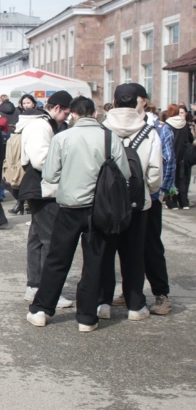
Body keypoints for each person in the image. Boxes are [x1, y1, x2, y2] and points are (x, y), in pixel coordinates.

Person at [27, 97, 130, 332]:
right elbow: (124, 172)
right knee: (95, 263)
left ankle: (41, 309)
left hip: (69, 206)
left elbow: (51, 175)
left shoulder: (62, 137)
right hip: (101, 208)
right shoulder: (109, 137)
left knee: (57, 259)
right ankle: (86, 317)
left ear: (73, 114)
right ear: (94, 113)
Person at [101, 83, 162, 321]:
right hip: (138, 203)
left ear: (114, 103)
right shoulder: (149, 131)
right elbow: (156, 173)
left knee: (105, 252)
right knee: (134, 254)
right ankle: (136, 306)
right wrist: (147, 190)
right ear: (138, 102)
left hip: (107, 203)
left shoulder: (103, 129)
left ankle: (103, 303)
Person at [15, 90, 73, 305]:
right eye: (65, 113)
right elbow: (41, 159)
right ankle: (49, 291)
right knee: (51, 240)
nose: (66, 118)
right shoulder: (41, 125)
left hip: (36, 186)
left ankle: (35, 286)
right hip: (43, 187)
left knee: (38, 238)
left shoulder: (40, 123)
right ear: (56, 108)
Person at [145, 102, 176, 316]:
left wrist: (161, 191)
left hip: (152, 197)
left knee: (152, 247)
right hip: (125, 199)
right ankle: (131, 292)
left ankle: (161, 294)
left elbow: (169, 161)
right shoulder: (116, 127)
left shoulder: (161, 129)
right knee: (127, 248)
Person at [166, 103, 193, 210]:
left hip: (171, 155)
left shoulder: (167, 125)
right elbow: (190, 139)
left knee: (171, 179)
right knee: (182, 179)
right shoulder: (185, 125)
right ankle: (184, 202)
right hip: (183, 157)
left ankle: (172, 202)